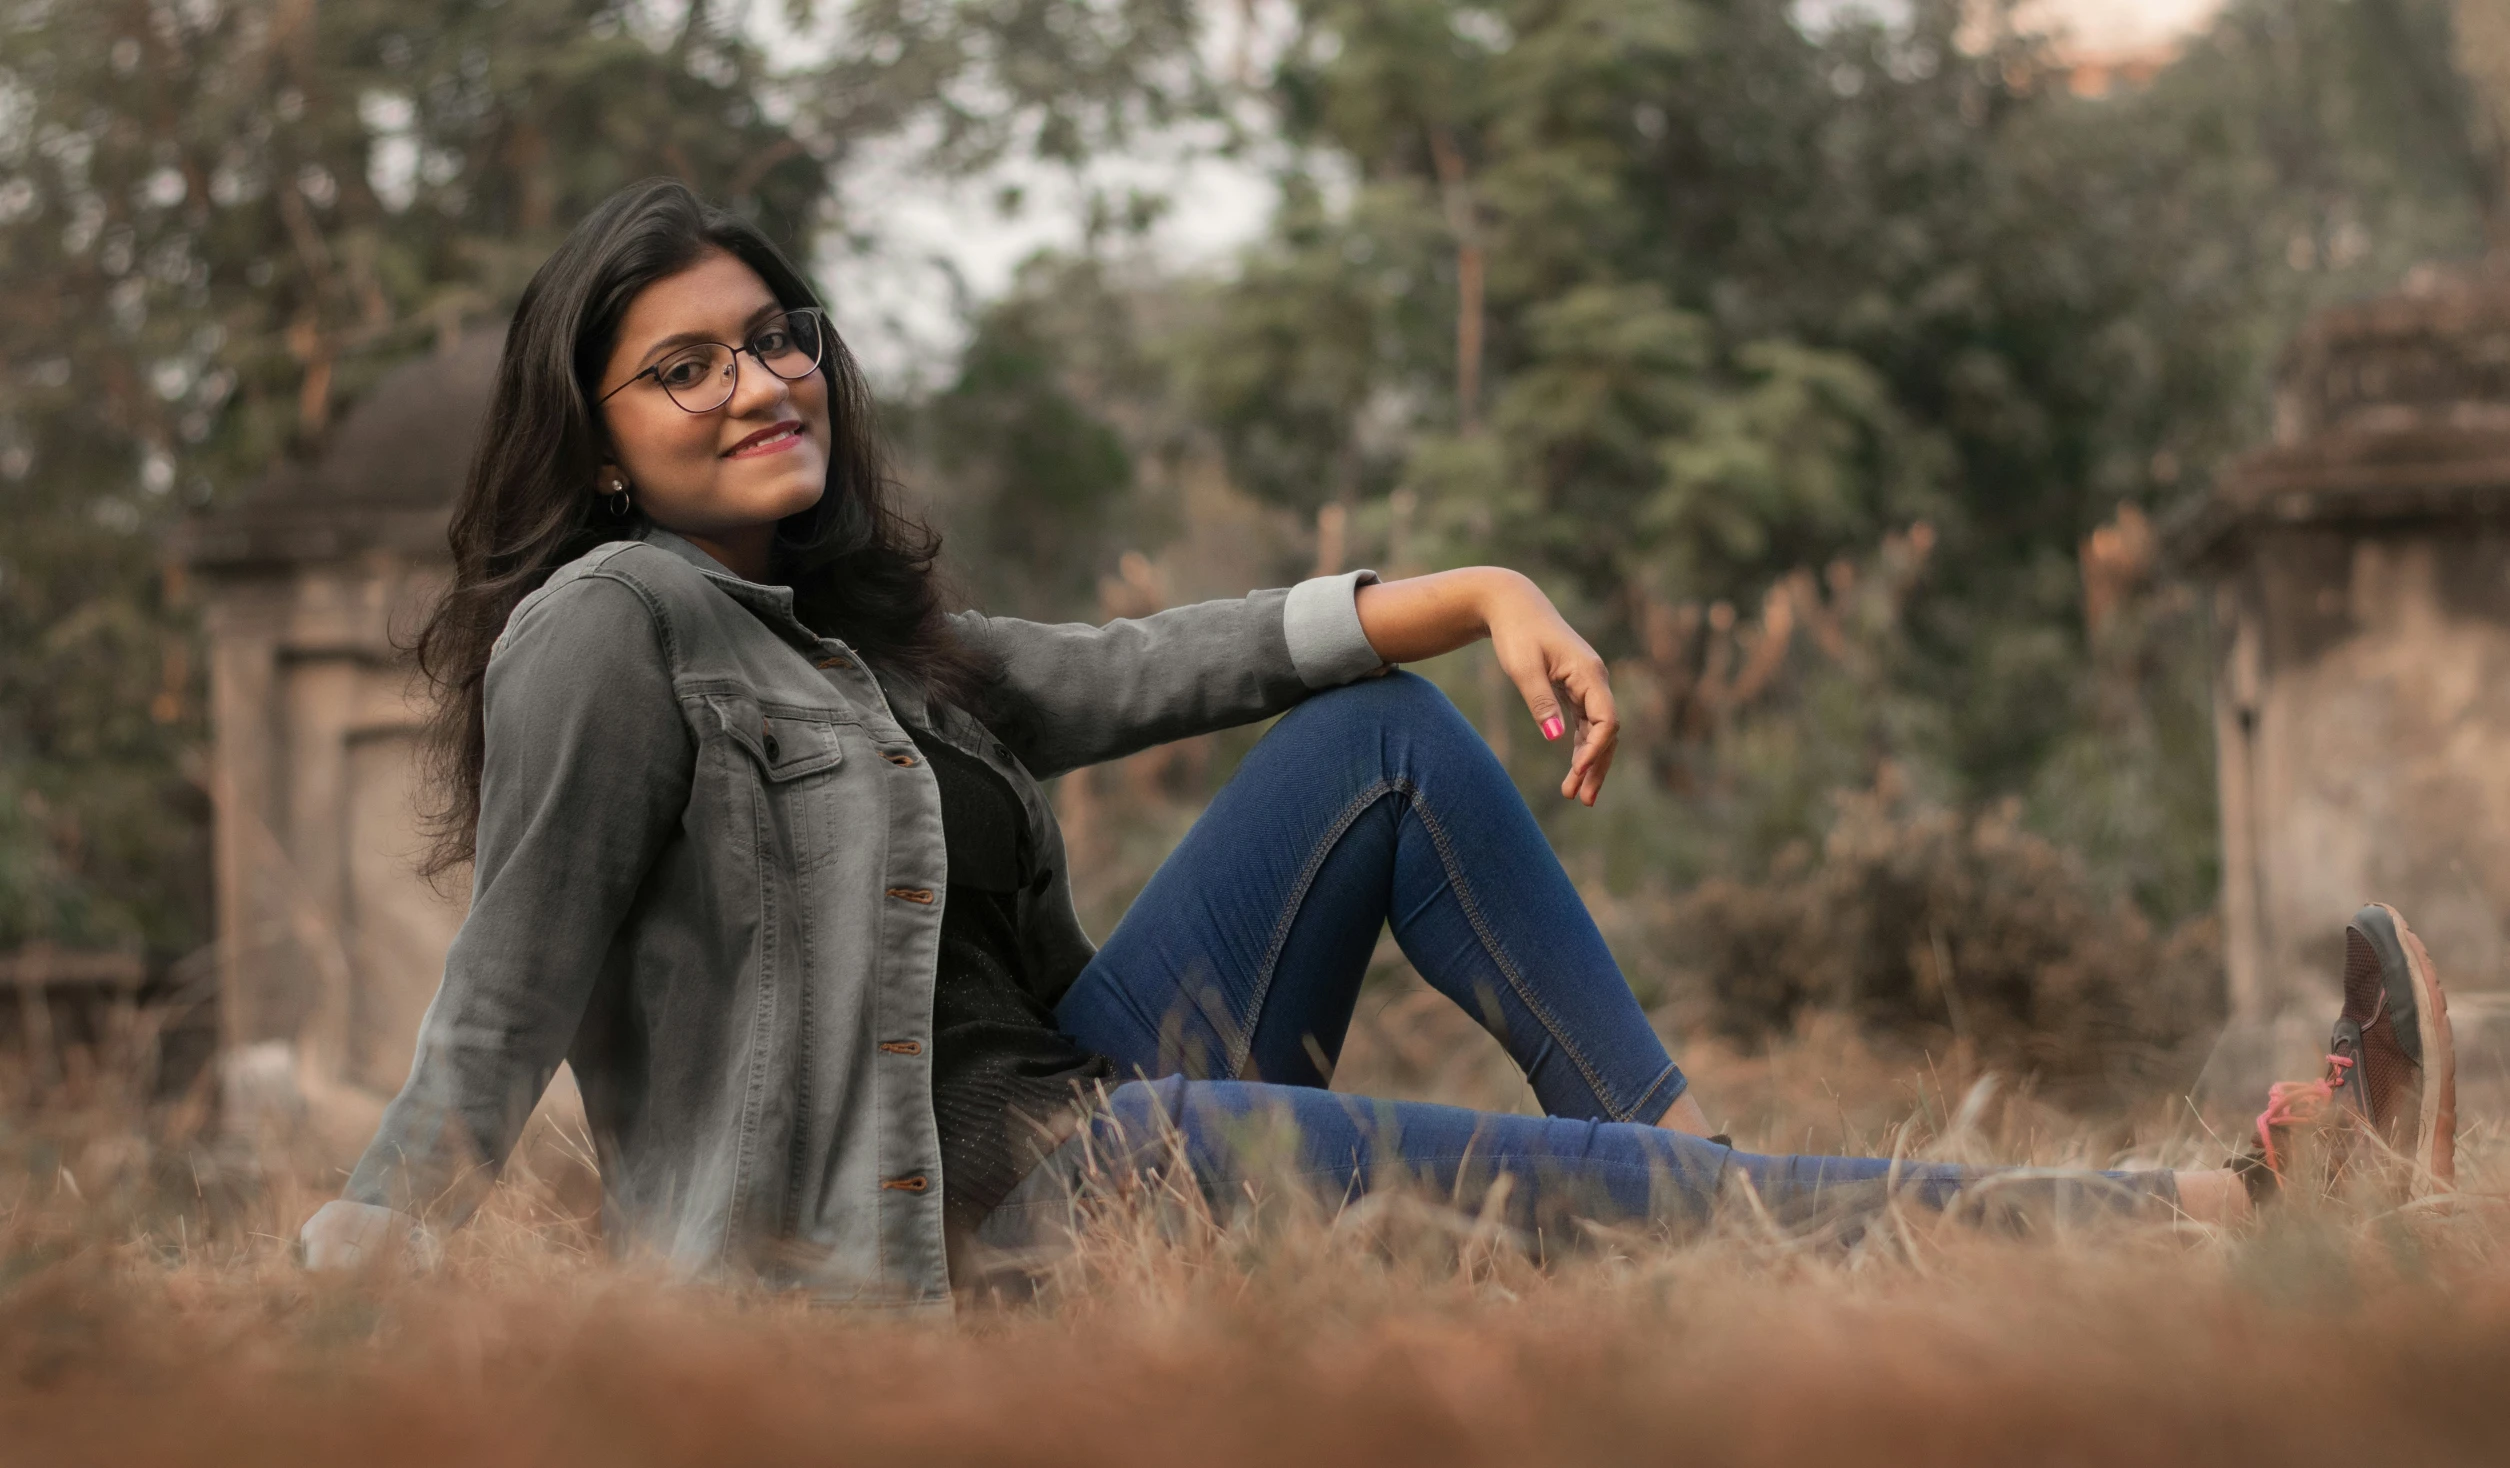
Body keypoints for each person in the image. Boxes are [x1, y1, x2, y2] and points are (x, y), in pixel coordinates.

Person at [300, 180, 2457, 1308]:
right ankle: (2201, 1202)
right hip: (954, 1231)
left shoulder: (854, 636)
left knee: (1382, 738)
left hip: (1080, 1118)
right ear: (589, 438)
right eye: (688, 366)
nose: (764, 379)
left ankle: (1713, 1189)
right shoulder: (603, 628)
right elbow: (494, 1013)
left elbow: (1153, 661)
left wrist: (1483, 584)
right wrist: (347, 1313)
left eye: (779, 335)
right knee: (1567, 1197)